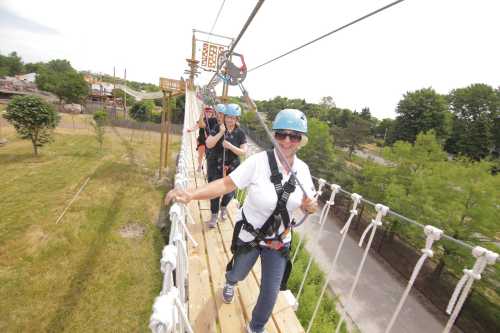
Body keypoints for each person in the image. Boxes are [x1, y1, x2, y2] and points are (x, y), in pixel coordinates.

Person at [165, 109, 318, 333]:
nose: (287, 141)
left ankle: (255, 328)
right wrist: (191, 194)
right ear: (274, 136)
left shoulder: (303, 171)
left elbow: (308, 202)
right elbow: (226, 185)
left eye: (293, 136)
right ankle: (230, 281)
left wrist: (309, 207)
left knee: (271, 292)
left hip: (278, 241)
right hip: (251, 235)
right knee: (238, 273)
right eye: (281, 134)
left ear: (301, 141)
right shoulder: (258, 163)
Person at [205, 103, 247, 227]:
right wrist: (220, 134)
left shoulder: (240, 133)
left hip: (232, 166)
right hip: (215, 164)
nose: (230, 120)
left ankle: (223, 207)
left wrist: (230, 146)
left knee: (230, 192)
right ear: (224, 117)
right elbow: (208, 144)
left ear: (237, 119)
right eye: (228, 117)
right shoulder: (218, 127)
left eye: (233, 118)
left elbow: (243, 152)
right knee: (214, 191)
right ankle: (214, 215)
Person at [187, 106, 215, 172]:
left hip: (210, 141)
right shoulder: (202, 120)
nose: (208, 113)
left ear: (212, 113)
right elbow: (196, 126)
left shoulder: (214, 121)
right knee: (201, 155)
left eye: (210, 112)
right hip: (202, 139)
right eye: (207, 112)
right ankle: (199, 166)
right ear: (205, 113)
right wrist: (191, 130)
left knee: (209, 157)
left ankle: (208, 169)